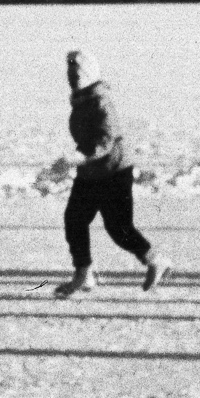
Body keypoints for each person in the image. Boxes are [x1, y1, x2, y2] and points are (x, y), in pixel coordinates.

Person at [61, 51, 171, 298]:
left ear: (90, 75)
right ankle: (84, 273)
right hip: (90, 172)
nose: (73, 79)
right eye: (70, 74)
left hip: (114, 171)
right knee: (75, 220)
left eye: (78, 74)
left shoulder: (100, 101)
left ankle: (156, 260)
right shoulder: (82, 100)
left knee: (119, 227)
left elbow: (105, 139)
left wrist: (79, 156)